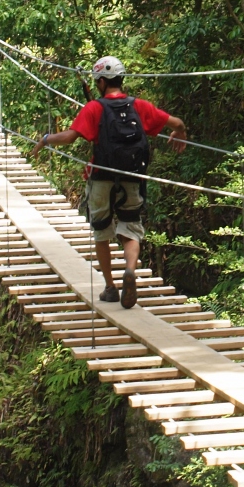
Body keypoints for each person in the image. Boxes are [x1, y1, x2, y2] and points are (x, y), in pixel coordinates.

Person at [29, 56, 187, 308]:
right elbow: (177, 123)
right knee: (131, 227)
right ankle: (131, 271)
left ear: (101, 82)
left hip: (101, 177)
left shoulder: (95, 108)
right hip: (132, 177)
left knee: (102, 232)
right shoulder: (140, 107)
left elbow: (70, 138)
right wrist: (180, 132)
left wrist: (46, 139)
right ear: (121, 79)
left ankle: (111, 288)